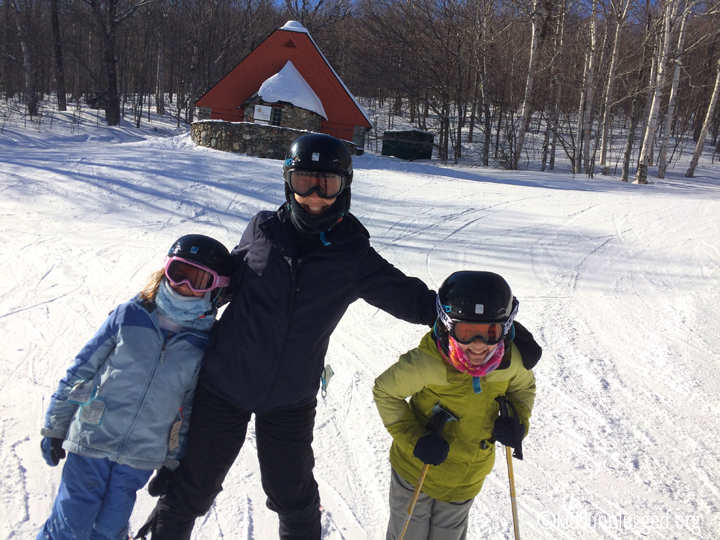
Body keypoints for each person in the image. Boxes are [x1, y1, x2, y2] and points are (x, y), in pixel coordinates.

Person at [139, 133, 438, 540]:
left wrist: (486, 324)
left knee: (292, 497)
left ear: (344, 185)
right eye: (304, 182)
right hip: (224, 384)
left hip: (289, 399)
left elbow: (414, 300)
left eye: (327, 184)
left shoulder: (353, 256)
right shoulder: (262, 229)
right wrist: (152, 311)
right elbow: (218, 286)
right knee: (191, 489)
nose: (314, 196)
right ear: (288, 181)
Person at [36, 234, 233, 540]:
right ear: (166, 270)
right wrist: (55, 426)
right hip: (92, 436)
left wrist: (171, 459)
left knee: (109, 528)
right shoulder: (130, 315)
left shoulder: (201, 343)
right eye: (179, 273)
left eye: (199, 281)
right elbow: (82, 369)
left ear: (216, 288)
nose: (186, 286)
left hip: (142, 453)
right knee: (71, 523)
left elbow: (188, 407)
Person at [373, 271, 542, 540]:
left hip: (466, 477)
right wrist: (415, 439)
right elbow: (385, 392)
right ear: (449, 325)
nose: (479, 345)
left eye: (490, 332)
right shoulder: (428, 363)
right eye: (466, 332)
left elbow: (523, 388)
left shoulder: (510, 363)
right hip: (416, 471)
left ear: (505, 328)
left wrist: (518, 422)